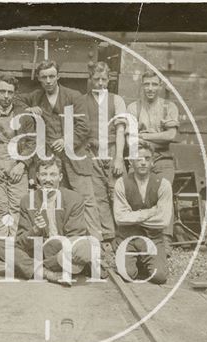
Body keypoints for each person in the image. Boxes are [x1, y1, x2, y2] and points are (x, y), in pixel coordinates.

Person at [17, 60, 103, 242]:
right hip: (51, 162)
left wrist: (66, 140)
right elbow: (15, 101)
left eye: (51, 76)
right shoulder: (35, 97)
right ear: (39, 79)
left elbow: (84, 126)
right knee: (56, 203)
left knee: (87, 200)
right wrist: (28, 109)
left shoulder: (74, 96)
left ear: (58, 76)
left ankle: (97, 244)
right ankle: (59, 241)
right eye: (44, 77)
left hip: (75, 158)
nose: (48, 80)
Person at [14, 157, 92, 286]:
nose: (48, 179)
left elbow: (75, 235)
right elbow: (20, 242)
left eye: (53, 175)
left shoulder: (74, 199)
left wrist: (55, 248)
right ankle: (50, 271)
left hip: (65, 250)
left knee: (84, 247)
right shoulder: (27, 201)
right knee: (5, 247)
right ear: (38, 176)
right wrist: (35, 230)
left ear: (60, 177)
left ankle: (38, 268)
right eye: (44, 174)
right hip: (41, 252)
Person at [126, 70, 179, 250]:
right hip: (140, 157)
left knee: (165, 191)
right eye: (147, 84)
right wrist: (156, 136)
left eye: (154, 84)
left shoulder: (169, 107)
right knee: (134, 192)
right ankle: (136, 237)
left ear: (160, 86)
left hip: (163, 158)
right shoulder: (134, 108)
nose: (150, 88)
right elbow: (132, 138)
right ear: (142, 85)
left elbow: (171, 135)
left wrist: (147, 136)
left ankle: (165, 239)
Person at [0, 75, 35, 238]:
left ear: (15, 94)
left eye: (10, 92)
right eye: (2, 91)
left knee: (18, 207)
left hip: (16, 167)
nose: (6, 96)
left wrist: (22, 165)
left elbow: (32, 142)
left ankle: (16, 246)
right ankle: (0, 247)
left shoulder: (24, 115)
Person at [83, 61, 128, 251]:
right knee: (98, 196)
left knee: (119, 193)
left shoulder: (116, 100)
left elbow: (120, 131)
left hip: (111, 151)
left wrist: (118, 158)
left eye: (104, 79)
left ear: (109, 80)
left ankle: (125, 235)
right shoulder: (83, 100)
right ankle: (108, 235)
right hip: (92, 153)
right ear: (90, 79)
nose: (100, 83)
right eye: (96, 79)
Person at [113, 146, 172, 284]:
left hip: (153, 238)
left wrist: (132, 216)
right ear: (131, 162)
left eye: (147, 158)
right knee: (127, 274)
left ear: (152, 162)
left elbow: (163, 221)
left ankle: (146, 260)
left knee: (160, 277)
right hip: (128, 238)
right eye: (138, 159)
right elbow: (120, 219)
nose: (143, 162)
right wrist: (151, 212)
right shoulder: (121, 183)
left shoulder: (163, 184)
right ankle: (133, 261)